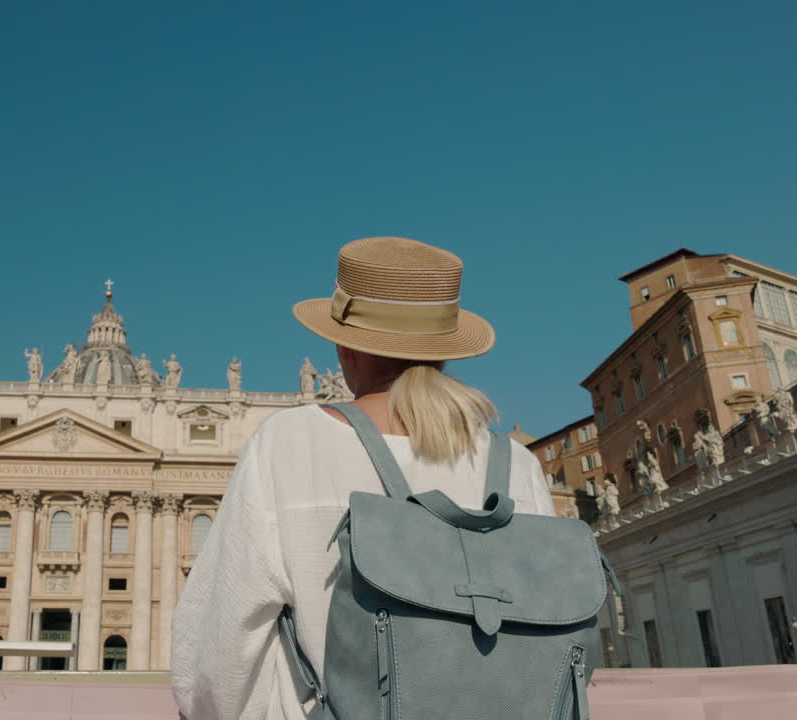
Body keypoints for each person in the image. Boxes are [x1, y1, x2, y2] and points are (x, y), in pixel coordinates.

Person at [171, 236, 555, 720]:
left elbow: (219, 650)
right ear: (446, 352)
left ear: (344, 348)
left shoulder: (289, 444)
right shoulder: (517, 463)